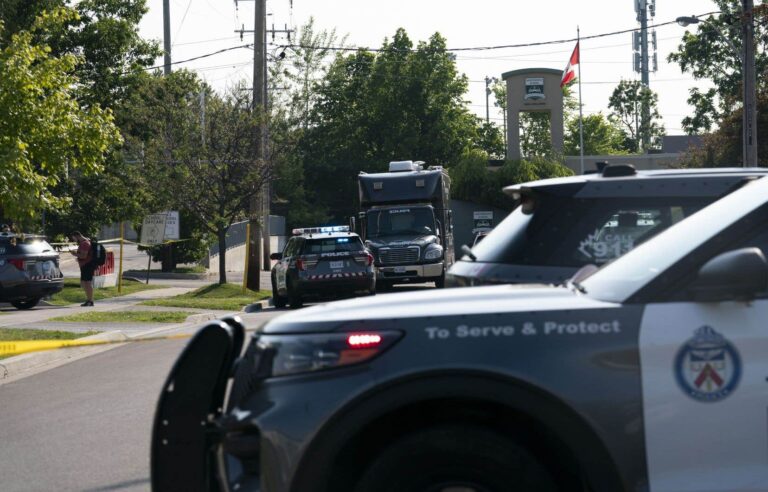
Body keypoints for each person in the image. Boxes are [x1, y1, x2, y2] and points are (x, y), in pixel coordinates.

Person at [70, 231, 95, 306]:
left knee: (87, 283)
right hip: (85, 265)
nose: (74, 240)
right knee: (84, 283)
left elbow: (84, 256)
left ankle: (90, 300)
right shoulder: (85, 242)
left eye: (74, 238)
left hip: (87, 265)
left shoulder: (84, 243)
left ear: (77, 236)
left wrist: (74, 254)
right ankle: (89, 299)